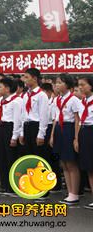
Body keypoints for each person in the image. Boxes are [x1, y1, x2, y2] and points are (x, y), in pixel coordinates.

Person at [50, 74, 84, 205]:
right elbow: (55, 118)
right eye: (56, 83)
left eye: (60, 82)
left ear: (68, 85)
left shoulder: (73, 100)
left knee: (71, 163)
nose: (57, 85)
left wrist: (76, 137)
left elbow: (77, 119)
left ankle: (74, 193)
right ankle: (69, 192)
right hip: (59, 129)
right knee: (63, 163)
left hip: (69, 129)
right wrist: (53, 135)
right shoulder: (56, 99)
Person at [0, 76, 22, 196]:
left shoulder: (16, 101)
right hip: (1, 128)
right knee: (2, 158)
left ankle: (13, 187)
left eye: (0, 87)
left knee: (11, 158)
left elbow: (17, 120)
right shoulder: (1, 100)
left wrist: (14, 137)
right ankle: (4, 184)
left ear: (8, 88)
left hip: (10, 128)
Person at [20, 67, 50, 159]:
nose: (24, 80)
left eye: (27, 77)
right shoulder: (25, 95)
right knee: (29, 156)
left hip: (36, 127)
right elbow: (23, 115)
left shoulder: (41, 95)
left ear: (35, 78)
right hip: (27, 127)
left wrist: (41, 134)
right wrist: (22, 133)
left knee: (38, 156)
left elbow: (44, 116)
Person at [76, 76, 93, 210]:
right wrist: (76, 138)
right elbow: (79, 121)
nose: (80, 87)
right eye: (79, 85)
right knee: (89, 167)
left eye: (83, 85)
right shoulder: (82, 102)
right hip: (84, 132)